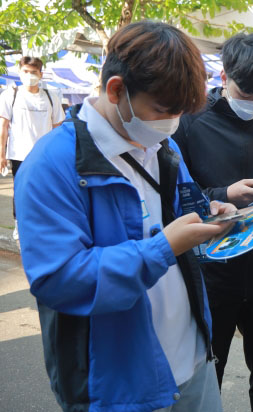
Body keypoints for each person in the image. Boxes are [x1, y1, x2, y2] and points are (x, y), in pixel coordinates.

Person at [15, 21, 234, 412]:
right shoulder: (53, 164)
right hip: (119, 387)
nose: (172, 124)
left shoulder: (163, 149)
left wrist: (210, 211)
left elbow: (186, 206)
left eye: (181, 113)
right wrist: (162, 248)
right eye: (164, 110)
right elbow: (58, 279)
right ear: (116, 90)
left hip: (195, 361)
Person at [173, 32, 253, 412]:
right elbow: (175, 199)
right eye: (249, 95)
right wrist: (223, 195)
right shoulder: (191, 124)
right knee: (208, 365)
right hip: (212, 268)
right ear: (225, 74)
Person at [0, 56, 65, 240]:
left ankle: (42, 225)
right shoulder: (10, 95)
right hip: (19, 154)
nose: (30, 75)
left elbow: (57, 128)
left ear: (41, 74)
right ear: (19, 73)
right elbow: (3, 126)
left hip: (45, 155)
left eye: (34, 72)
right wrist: (1, 154)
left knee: (46, 189)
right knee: (21, 189)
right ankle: (19, 224)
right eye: (26, 72)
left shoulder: (51, 97)